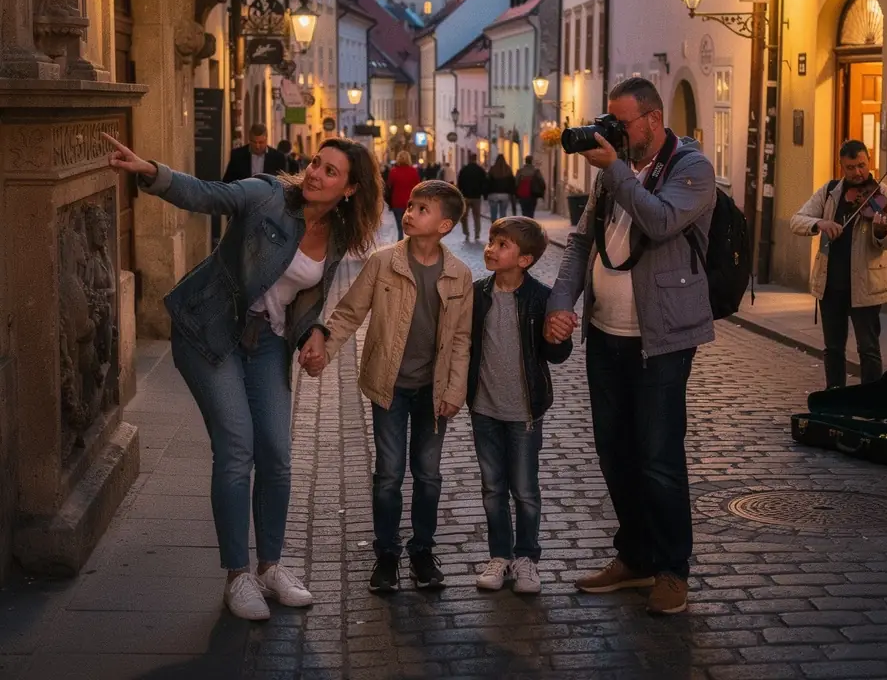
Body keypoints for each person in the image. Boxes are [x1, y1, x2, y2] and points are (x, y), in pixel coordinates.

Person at [103, 132, 382, 620]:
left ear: (351, 190)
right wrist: (151, 171)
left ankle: (271, 566)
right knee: (237, 447)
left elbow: (306, 297)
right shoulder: (269, 194)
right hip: (209, 330)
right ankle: (238, 576)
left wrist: (313, 332)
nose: (315, 173)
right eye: (316, 162)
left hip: (267, 341)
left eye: (331, 171)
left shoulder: (336, 232)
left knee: (276, 453)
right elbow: (212, 194)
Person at [543, 76, 716, 616]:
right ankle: (635, 556)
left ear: (653, 120)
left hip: (660, 339)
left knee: (658, 458)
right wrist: (560, 300)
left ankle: (671, 570)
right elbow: (581, 241)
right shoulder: (610, 177)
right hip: (607, 335)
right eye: (608, 121)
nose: (612, 131)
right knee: (615, 452)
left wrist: (614, 169)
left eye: (621, 123)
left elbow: (661, 221)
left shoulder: (692, 168)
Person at [302, 180, 472, 594]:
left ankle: (422, 551)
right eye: (410, 205)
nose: (410, 212)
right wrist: (323, 344)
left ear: (445, 225)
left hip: (433, 393)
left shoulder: (459, 274)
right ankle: (386, 555)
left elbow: (463, 337)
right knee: (389, 475)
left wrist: (455, 390)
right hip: (389, 386)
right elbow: (349, 311)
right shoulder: (383, 263)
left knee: (428, 474)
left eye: (422, 208)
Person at [469, 217, 570, 596]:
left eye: (503, 245)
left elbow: (556, 355)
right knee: (493, 487)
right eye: (493, 241)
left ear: (525, 260)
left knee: (525, 490)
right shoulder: (477, 294)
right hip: (484, 408)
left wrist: (558, 335)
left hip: (525, 412)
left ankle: (526, 557)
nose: (492, 248)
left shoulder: (541, 298)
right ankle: (500, 556)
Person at [789, 138, 887, 389]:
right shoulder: (830, 192)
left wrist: (881, 232)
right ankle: (835, 400)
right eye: (851, 168)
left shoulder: (883, 195)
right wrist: (820, 224)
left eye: (861, 165)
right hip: (831, 285)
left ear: (868, 161)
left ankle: (871, 404)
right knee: (833, 348)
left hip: (866, 285)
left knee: (868, 349)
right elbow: (797, 220)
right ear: (842, 167)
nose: (858, 173)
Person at [385, 150, 420, 239]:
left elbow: (389, 186)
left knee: (400, 227)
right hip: (411, 203)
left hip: (397, 202)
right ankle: (411, 244)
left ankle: (400, 243)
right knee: (411, 225)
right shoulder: (413, 171)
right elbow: (418, 186)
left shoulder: (393, 171)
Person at [457, 152, 488, 242]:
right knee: (476, 216)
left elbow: (460, 182)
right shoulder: (480, 170)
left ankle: (466, 233)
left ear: (469, 159)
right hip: (476, 197)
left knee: (464, 216)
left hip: (466, 196)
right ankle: (477, 234)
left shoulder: (464, 170)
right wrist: (484, 194)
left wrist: (460, 192)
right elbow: (484, 183)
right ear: (475, 159)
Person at [485, 154, 515, 223]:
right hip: (505, 194)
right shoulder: (508, 169)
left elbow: (487, 182)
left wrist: (486, 194)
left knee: (493, 213)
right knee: (503, 213)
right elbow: (512, 183)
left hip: (493, 194)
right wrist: (512, 193)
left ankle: (494, 225)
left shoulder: (492, 169)